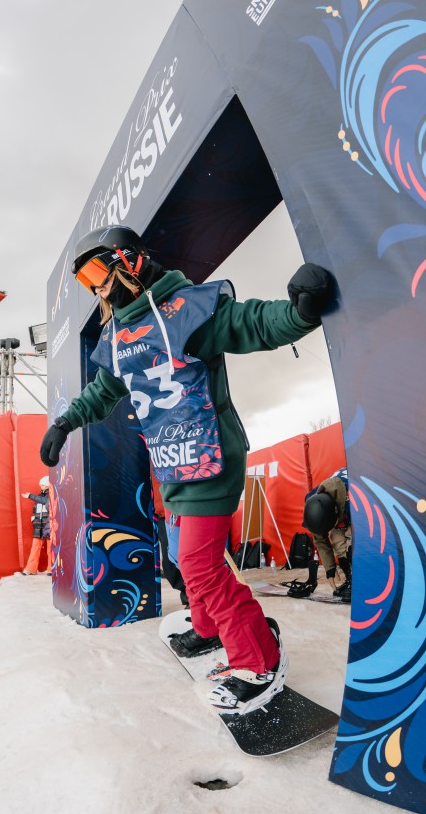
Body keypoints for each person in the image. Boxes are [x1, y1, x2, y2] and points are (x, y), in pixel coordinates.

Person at [40, 225, 334, 715]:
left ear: (129, 260)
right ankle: (209, 626)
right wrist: (66, 422)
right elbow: (104, 390)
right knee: (183, 556)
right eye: (86, 282)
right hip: (170, 459)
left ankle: (258, 660)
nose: (97, 289)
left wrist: (299, 312)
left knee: (199, 563)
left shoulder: (186, 309)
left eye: (96, 272)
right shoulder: (119, 335)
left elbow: (251, 324)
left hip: (208, 453)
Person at [301, 468, 351, 601]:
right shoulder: (312, 502)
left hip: (354, 507)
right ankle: (350, 579)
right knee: (336, 538)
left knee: (353, 541)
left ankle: (359, 577)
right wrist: (330, 569)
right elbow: (320, 540)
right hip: (338, 509)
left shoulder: (354, 498)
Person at [21, 476, 52, 575]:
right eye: (41, 485)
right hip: (38, 526)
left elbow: (45, 501)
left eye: (43, 484)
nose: (41, 486)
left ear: (47, 485)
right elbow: (35, 509)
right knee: (35, 548)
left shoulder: (51, 495)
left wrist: (30, 496)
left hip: (48, 526)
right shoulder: (38, 497)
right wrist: (34, 519)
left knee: (50, 549)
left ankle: (51, 569)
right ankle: (31, 569)